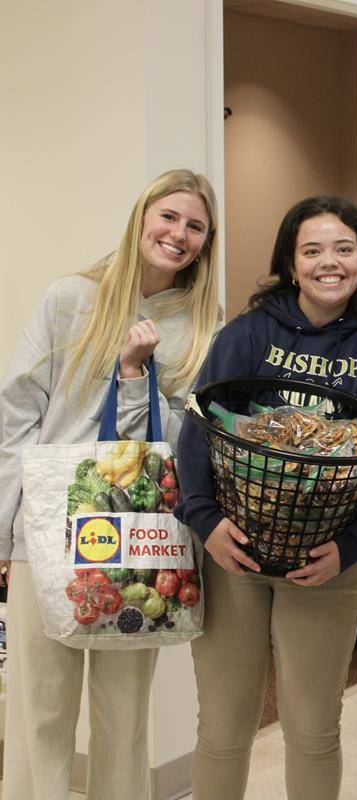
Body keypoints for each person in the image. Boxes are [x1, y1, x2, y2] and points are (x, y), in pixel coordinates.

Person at [174, 196, 357, 800]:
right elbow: (199, 431)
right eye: (312, 250)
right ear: (291, 263)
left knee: (313, 729)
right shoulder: (248, 334)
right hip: (234, 556)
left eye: (343, 249)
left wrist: (352, 545)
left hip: (324, 564)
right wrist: (206, 524)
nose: (329, 262)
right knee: (224, 727)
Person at [0, 169, 221, 799]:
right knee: (38, 711)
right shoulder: (71, 298)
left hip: (139, 545)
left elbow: (191, 438)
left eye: (196, 226)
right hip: (45, 533)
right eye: (169, 217)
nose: (179, 235)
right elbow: (15, 417)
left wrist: (133, 378)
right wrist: (2, 530)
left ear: (207, 242)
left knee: (123, 720)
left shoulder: (203, 325)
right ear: (142, 217)